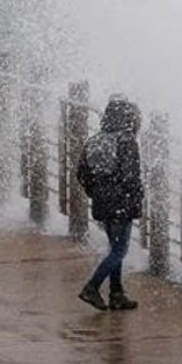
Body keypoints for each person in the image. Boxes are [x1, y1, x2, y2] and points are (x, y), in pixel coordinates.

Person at [76, 94, 144, 311]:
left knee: (114, 247)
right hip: (120, 202)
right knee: (119, 251)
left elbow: (82, 173)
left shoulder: (94, 140)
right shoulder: (126, 141)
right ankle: (92, 287)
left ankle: (116, 294)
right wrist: (135, 198)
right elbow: (130, 177)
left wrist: (96, 192)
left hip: (102, 202)